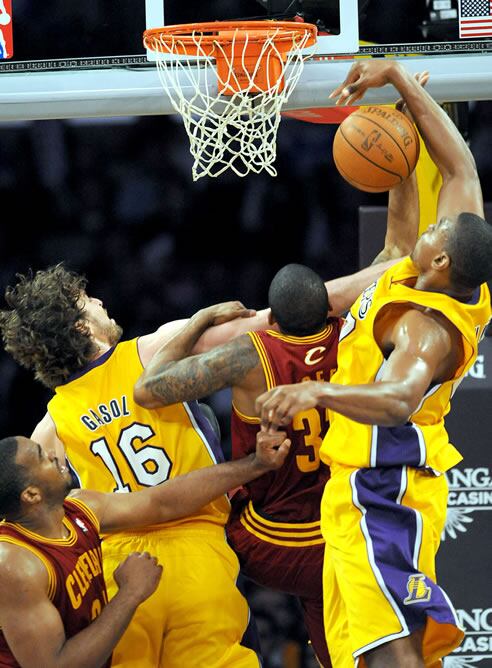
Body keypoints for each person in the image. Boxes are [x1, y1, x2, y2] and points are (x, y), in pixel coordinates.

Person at [0, 268, 391, 668]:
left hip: (121, 572)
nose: (101, 302)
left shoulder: (47, 431)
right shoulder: (155, 350)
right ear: (84, 328)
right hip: (199, 546)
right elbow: (297, 308)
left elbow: (34, 528)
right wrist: (400, 268)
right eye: (89, 302)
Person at [132, 159, 421, 665]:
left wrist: (201, 318)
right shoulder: (357, 330)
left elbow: (149, 390)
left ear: (273, 317)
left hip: (275, 545)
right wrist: (402, 164)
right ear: (326, 309)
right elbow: (397, 251)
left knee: (212, 517)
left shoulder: (250, 354)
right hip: (346, 526)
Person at [255, 59, 492, 668]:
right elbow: (460, 165)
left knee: (389, 656)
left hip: (382, 488)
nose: (434, 225)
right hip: (360, 486)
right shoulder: (442, 267)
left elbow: (395, 402)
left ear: (441, 264)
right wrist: (397, 82)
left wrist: (318, 395)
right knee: (361, 655)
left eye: (436, 230)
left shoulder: (425, 328)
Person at [0, 430, 289, 668]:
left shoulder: (79, 507)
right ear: (31, 495)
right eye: (42, 457)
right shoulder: (14, 565)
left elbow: (160, 502)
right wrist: (130, 594)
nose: (53, 453)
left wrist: (254, 465)